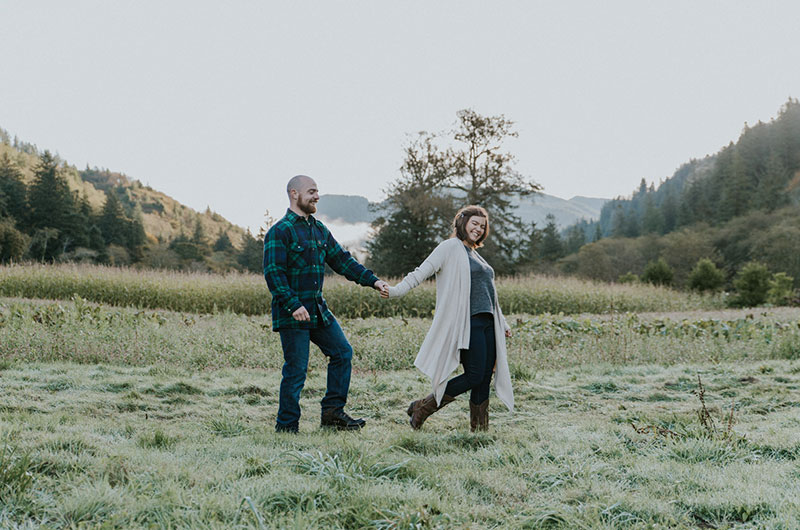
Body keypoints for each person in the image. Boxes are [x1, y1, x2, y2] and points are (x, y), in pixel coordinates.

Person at [264, 175, 389, 433]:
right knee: (296, 370)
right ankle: (286, 426)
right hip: (293, 313)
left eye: (317, 191)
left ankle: (332, 414)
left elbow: (343, 261)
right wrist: (293, 304)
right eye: (311, 191)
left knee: (342, 353)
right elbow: (274, 273)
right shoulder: (280, 231)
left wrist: (373, 281)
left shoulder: (319, 229)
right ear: (294, 194)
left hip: (318, 310)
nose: (317, 196)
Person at [383, 205, 513, 431]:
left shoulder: (475, 254)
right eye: (474, 224)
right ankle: (423, 407)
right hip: (468, 323)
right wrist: (395, 290)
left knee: (484, 378)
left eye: (482, 226)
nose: (479, 229)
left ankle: (480, 432)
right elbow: (420, 273)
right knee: (473, 376)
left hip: (489, 323)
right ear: (462, 222)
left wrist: (503, 322)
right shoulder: (449, 248)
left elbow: (488, 294)